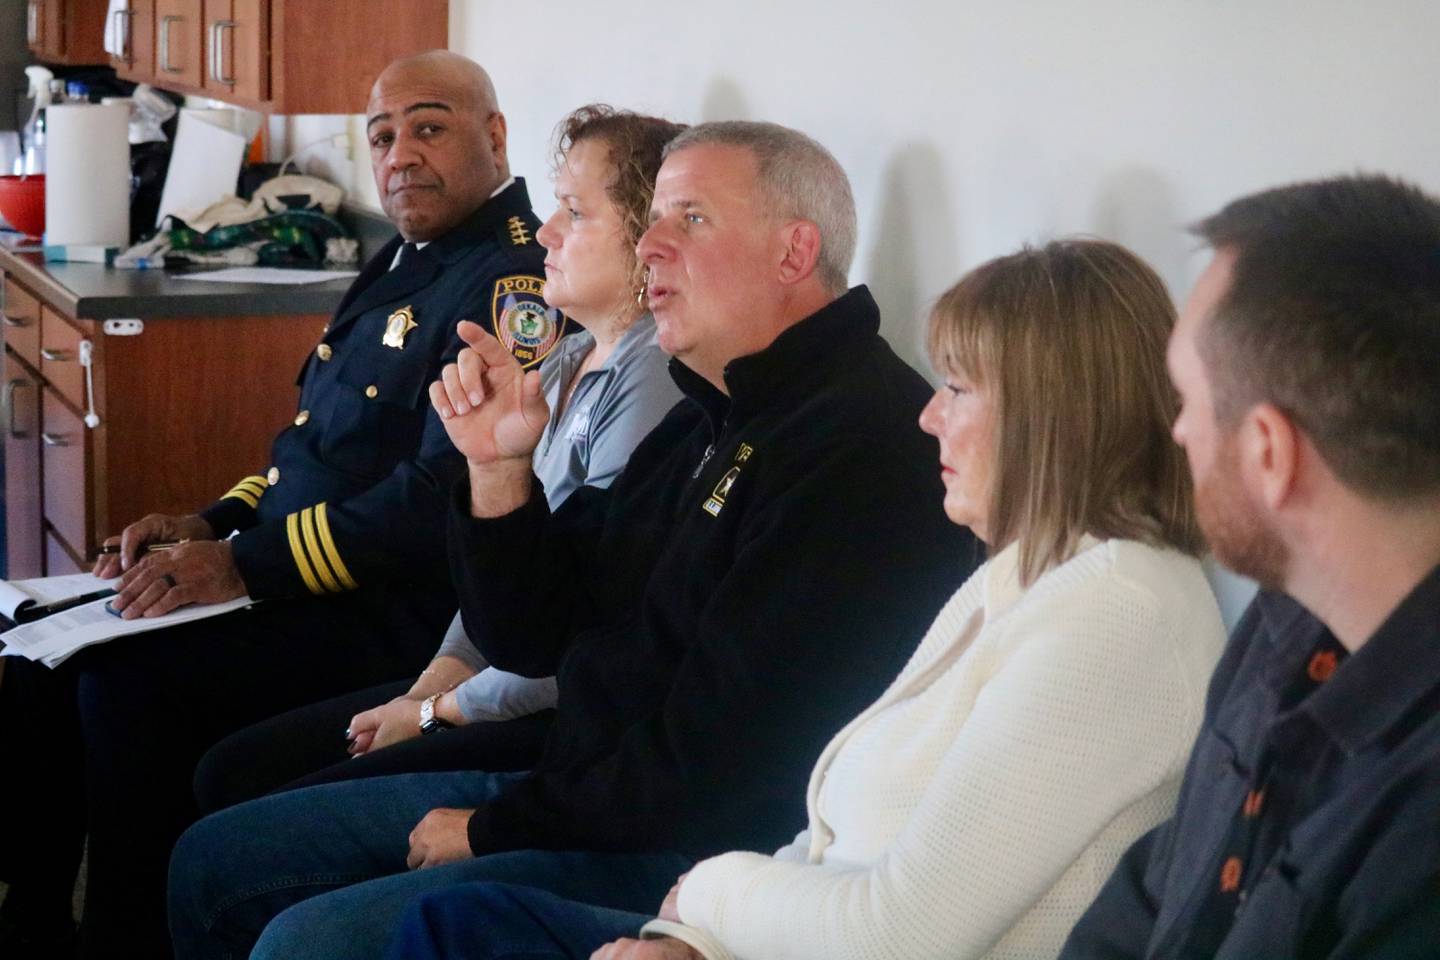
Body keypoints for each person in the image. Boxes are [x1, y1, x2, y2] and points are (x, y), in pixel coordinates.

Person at [167, 120, 978, 960]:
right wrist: (497, 471)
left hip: (695, 852)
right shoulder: (719, 407)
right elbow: (532, 633)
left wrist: (492, 827)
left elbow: (719, 766)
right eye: (655, 218)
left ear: (793, 251)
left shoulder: (859, 448)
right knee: (214, 859)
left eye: (691, 219)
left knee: (303, 943)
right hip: (587, 783)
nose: (652, 245)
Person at [376, 238, 1231, 960]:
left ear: (1057, 415)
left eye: (960, 390)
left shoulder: (1118, 611)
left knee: (434, 931)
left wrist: (704, 894)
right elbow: (832, 838)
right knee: (458, 922)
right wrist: (693, 937)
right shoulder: (1027, 568)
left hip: (747, 895)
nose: (930, 417)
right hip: (747, 915)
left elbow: (905, 929)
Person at [0, 51, 566, 960]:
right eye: (382, 137)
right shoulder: (404, 255)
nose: (400, 156)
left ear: (494, 137)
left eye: (429, 127)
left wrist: (241, 563)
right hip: (293, 567)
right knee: (32, 655)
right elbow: (310, 450)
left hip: (389, 609)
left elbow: (435, 500)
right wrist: (213, 521)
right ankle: (32, 923)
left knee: (119, 689)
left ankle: (127, 939)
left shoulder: (511, 282)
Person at [189, 105, 688, 814]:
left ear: (647, 237)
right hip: (484, 677)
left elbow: (585, 634)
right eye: (383, 136)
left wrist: (433, 714)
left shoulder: (653, 380)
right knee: (231, 770)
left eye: (574, 213)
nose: (547, 232)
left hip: (555, 723)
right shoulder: (565, 356)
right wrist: (431, 685)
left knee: (238, 795)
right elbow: (500, 586)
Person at [1057, 175, 1440, 958]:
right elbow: (1150, 898)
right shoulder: (1285, 619)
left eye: (1190, 400)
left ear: (1270, 454)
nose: (1178, 431)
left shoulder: (1421, 828)